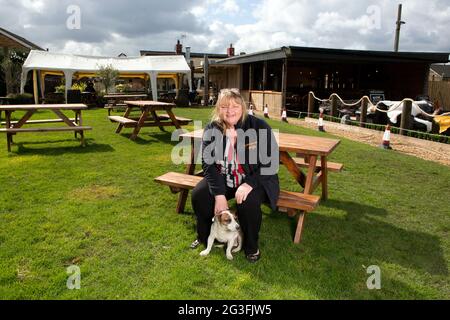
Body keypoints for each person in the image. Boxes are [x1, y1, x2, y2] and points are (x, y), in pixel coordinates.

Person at [190, 88, 280, 263]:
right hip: (225, 178)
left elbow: (272, 162)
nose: (230, 111)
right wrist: (219, 194)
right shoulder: (212, 128)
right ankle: (204, 236)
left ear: (243, 107)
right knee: (199, 195)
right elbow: (208, 164)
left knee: (248, 202)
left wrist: (249, 184)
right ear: (218, 109)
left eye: (235, 106)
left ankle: (251, 246)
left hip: (255, 179)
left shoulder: (258, 126)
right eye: (224, 106)